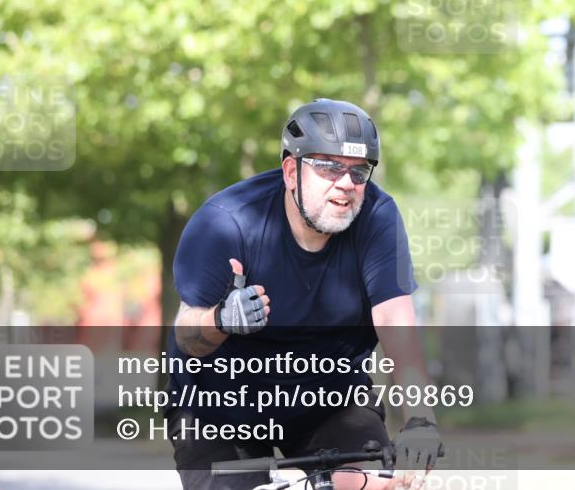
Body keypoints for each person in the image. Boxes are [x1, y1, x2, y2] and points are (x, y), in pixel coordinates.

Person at [166, 99, 442, 490]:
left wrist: (420, 420)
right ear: (291, 170)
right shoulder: (226, 222)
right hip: (220, 403)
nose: (346, 183)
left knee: (374, 484)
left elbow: (395, 322)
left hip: (329, 401)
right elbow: (185, 335)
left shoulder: (377, 218)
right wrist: (221, 320)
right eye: (329, 167)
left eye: (359, 171)